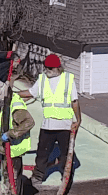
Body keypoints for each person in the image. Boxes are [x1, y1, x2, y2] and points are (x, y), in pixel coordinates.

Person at [0, 78, 38, 195]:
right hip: (7, 150)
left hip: (12, 151)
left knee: (9, 182)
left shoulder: (15, 105)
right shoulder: (6, 102)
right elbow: (6, 119)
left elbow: (29, 122)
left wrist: (11, 134)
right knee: (9, 181)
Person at [34, 53, 79, 183]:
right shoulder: (42, 79)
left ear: (58, 68)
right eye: (46, 68)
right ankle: (38, 176)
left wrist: (78, 120)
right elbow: (31, 93)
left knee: (65, 153)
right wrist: (13, 93)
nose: (47, 70)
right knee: (42, 152)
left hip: (64, 125)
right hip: (48, 124)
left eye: (50, 68)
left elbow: (74, 102)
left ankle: (66, 176)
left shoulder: (68, 79)